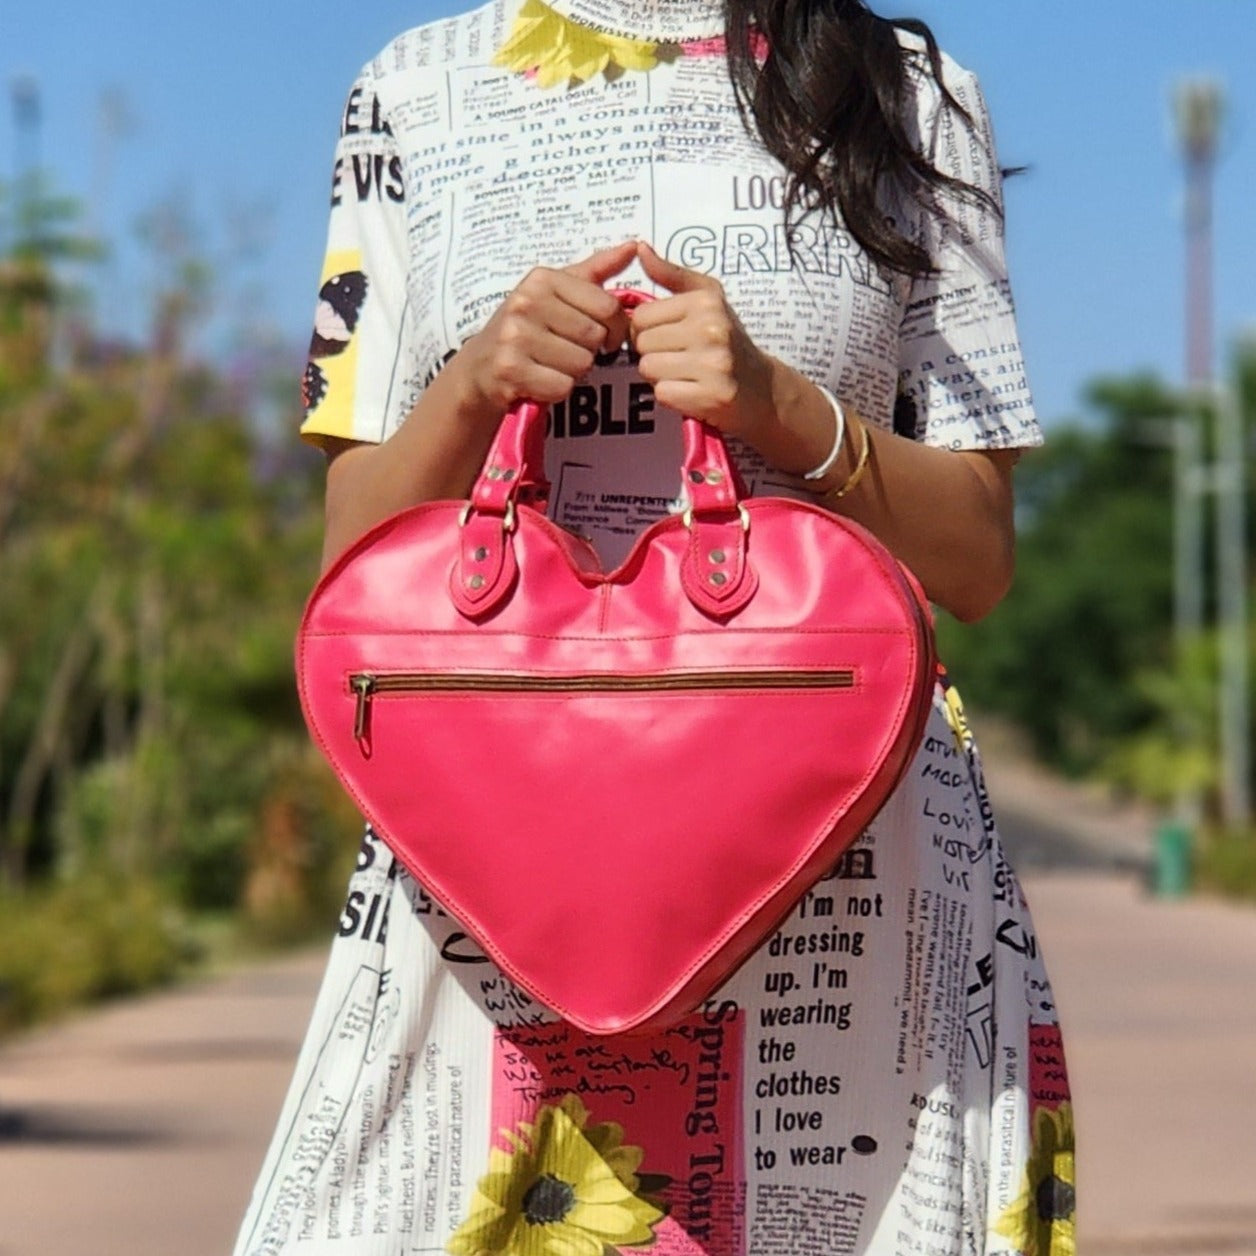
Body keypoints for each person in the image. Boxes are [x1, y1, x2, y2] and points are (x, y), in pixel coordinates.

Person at [235, 0, 1075, 1252]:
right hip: (492, 858)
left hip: (838, 858)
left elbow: (977, 557)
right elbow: (349, 557)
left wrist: (783, 407)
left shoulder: (905, 93)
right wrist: (472, 383)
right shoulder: (414, 85)